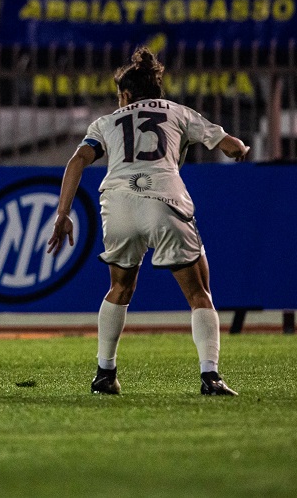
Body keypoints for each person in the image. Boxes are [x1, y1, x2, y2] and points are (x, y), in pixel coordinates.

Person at [47, 47, 249, 397]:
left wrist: (62, 214)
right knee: (199, 293)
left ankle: (104, 372)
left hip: (118, 201)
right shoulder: (180, 112)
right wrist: (240, 149)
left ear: (125, 95)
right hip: (165, 198)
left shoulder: (106, 121)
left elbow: (77, 161)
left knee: (120, 288)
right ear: (158, 91)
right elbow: (230, 145)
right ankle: (210, 376)